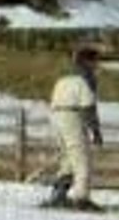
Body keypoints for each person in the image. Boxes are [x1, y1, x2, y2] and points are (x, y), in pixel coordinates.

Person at [44, 45, 103, 211]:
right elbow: (88, 108)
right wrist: (96, 131)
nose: (97, 66)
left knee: (68, 159)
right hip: (72, 116)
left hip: (56, 117)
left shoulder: (63, 79)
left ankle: (59, 193)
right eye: (95, 61)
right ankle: (81, 198)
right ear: (88, 62)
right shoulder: (84, 81)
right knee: (82, 160)